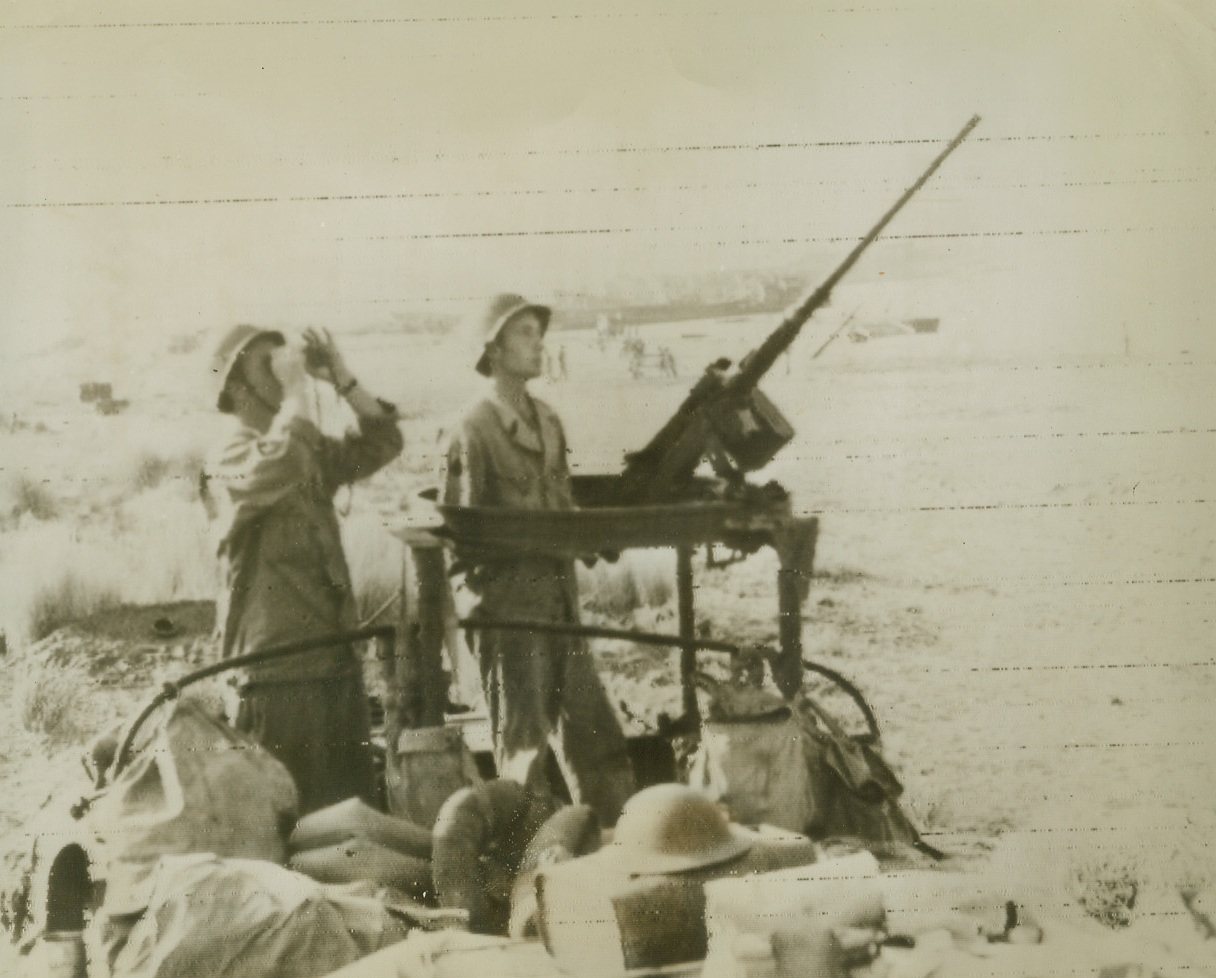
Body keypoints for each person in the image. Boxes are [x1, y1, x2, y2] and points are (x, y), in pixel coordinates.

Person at [442, 294, 635, 826]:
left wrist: (586, 535)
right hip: (509, 617)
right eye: (525, 333)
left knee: (597, 741)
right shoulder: (472, 429)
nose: (538, 343)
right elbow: (463, 537)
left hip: (559, 609)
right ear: (494, 348)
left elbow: (561, 507)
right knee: (523, 758)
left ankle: (622, 850)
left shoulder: (548, 421)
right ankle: (528, 876)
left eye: (537, 332)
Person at [203, 324, 403, 814]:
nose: (282, 370)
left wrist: (341, 377)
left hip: (334, 665)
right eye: (265, 364)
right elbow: (287, 457)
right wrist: (297, 391)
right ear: (234, 387)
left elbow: (383, 441)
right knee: (288, 827)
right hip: (277, 681)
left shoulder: (302, 449)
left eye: (282, 361)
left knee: (349, 822)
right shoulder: (229, 459)